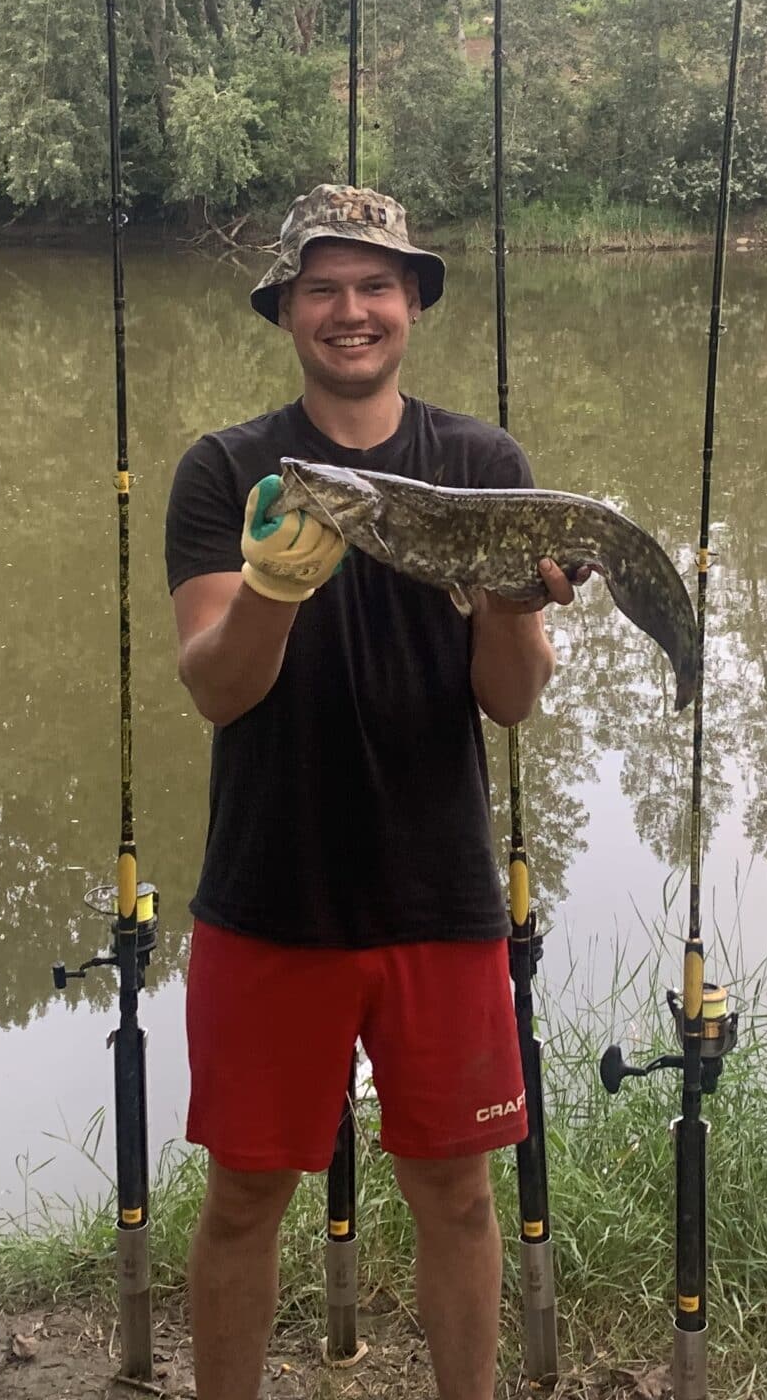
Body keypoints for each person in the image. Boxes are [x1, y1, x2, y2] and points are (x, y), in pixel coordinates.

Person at [164, 184, 583, 1400]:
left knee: (456, 1194)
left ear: (412, 305)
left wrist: (511, 605)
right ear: (288, 311)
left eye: (375, 287)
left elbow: (509, 701)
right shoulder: (229, 469)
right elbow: (216, 692)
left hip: (437, 892)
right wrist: (272, 590)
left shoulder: (482, 464)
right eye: (323, 289)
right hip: (267, 891)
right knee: (244, 1197)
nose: (351, 311)